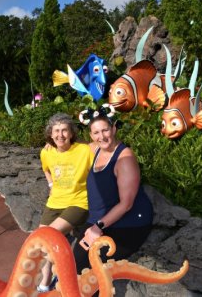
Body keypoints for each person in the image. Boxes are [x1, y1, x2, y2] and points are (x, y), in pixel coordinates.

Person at [73, 104, 153, 275]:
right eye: (96, 133)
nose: (101, 136)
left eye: (105, 130)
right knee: (74, 262)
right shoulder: (95, 149)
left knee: (89, 268)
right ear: (91, 135)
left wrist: (97, 227)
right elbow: (75, 144)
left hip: (127, 223)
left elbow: (126, 204)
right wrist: (53, 143)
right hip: (100, 218)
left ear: (114, 128)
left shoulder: (125, 159)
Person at [37, 113, 95, 292]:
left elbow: (103, 146)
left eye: (64, 131)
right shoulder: (46, 152)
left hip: (78, 202)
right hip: (54, 202)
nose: (60, 135)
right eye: (56, 131)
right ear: (50, 133)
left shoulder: (84, 150)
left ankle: (60, 274)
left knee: (50, 235)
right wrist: (50, 183)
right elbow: (46, 169)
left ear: (71, 133)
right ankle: (47, 279)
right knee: (39, 241)